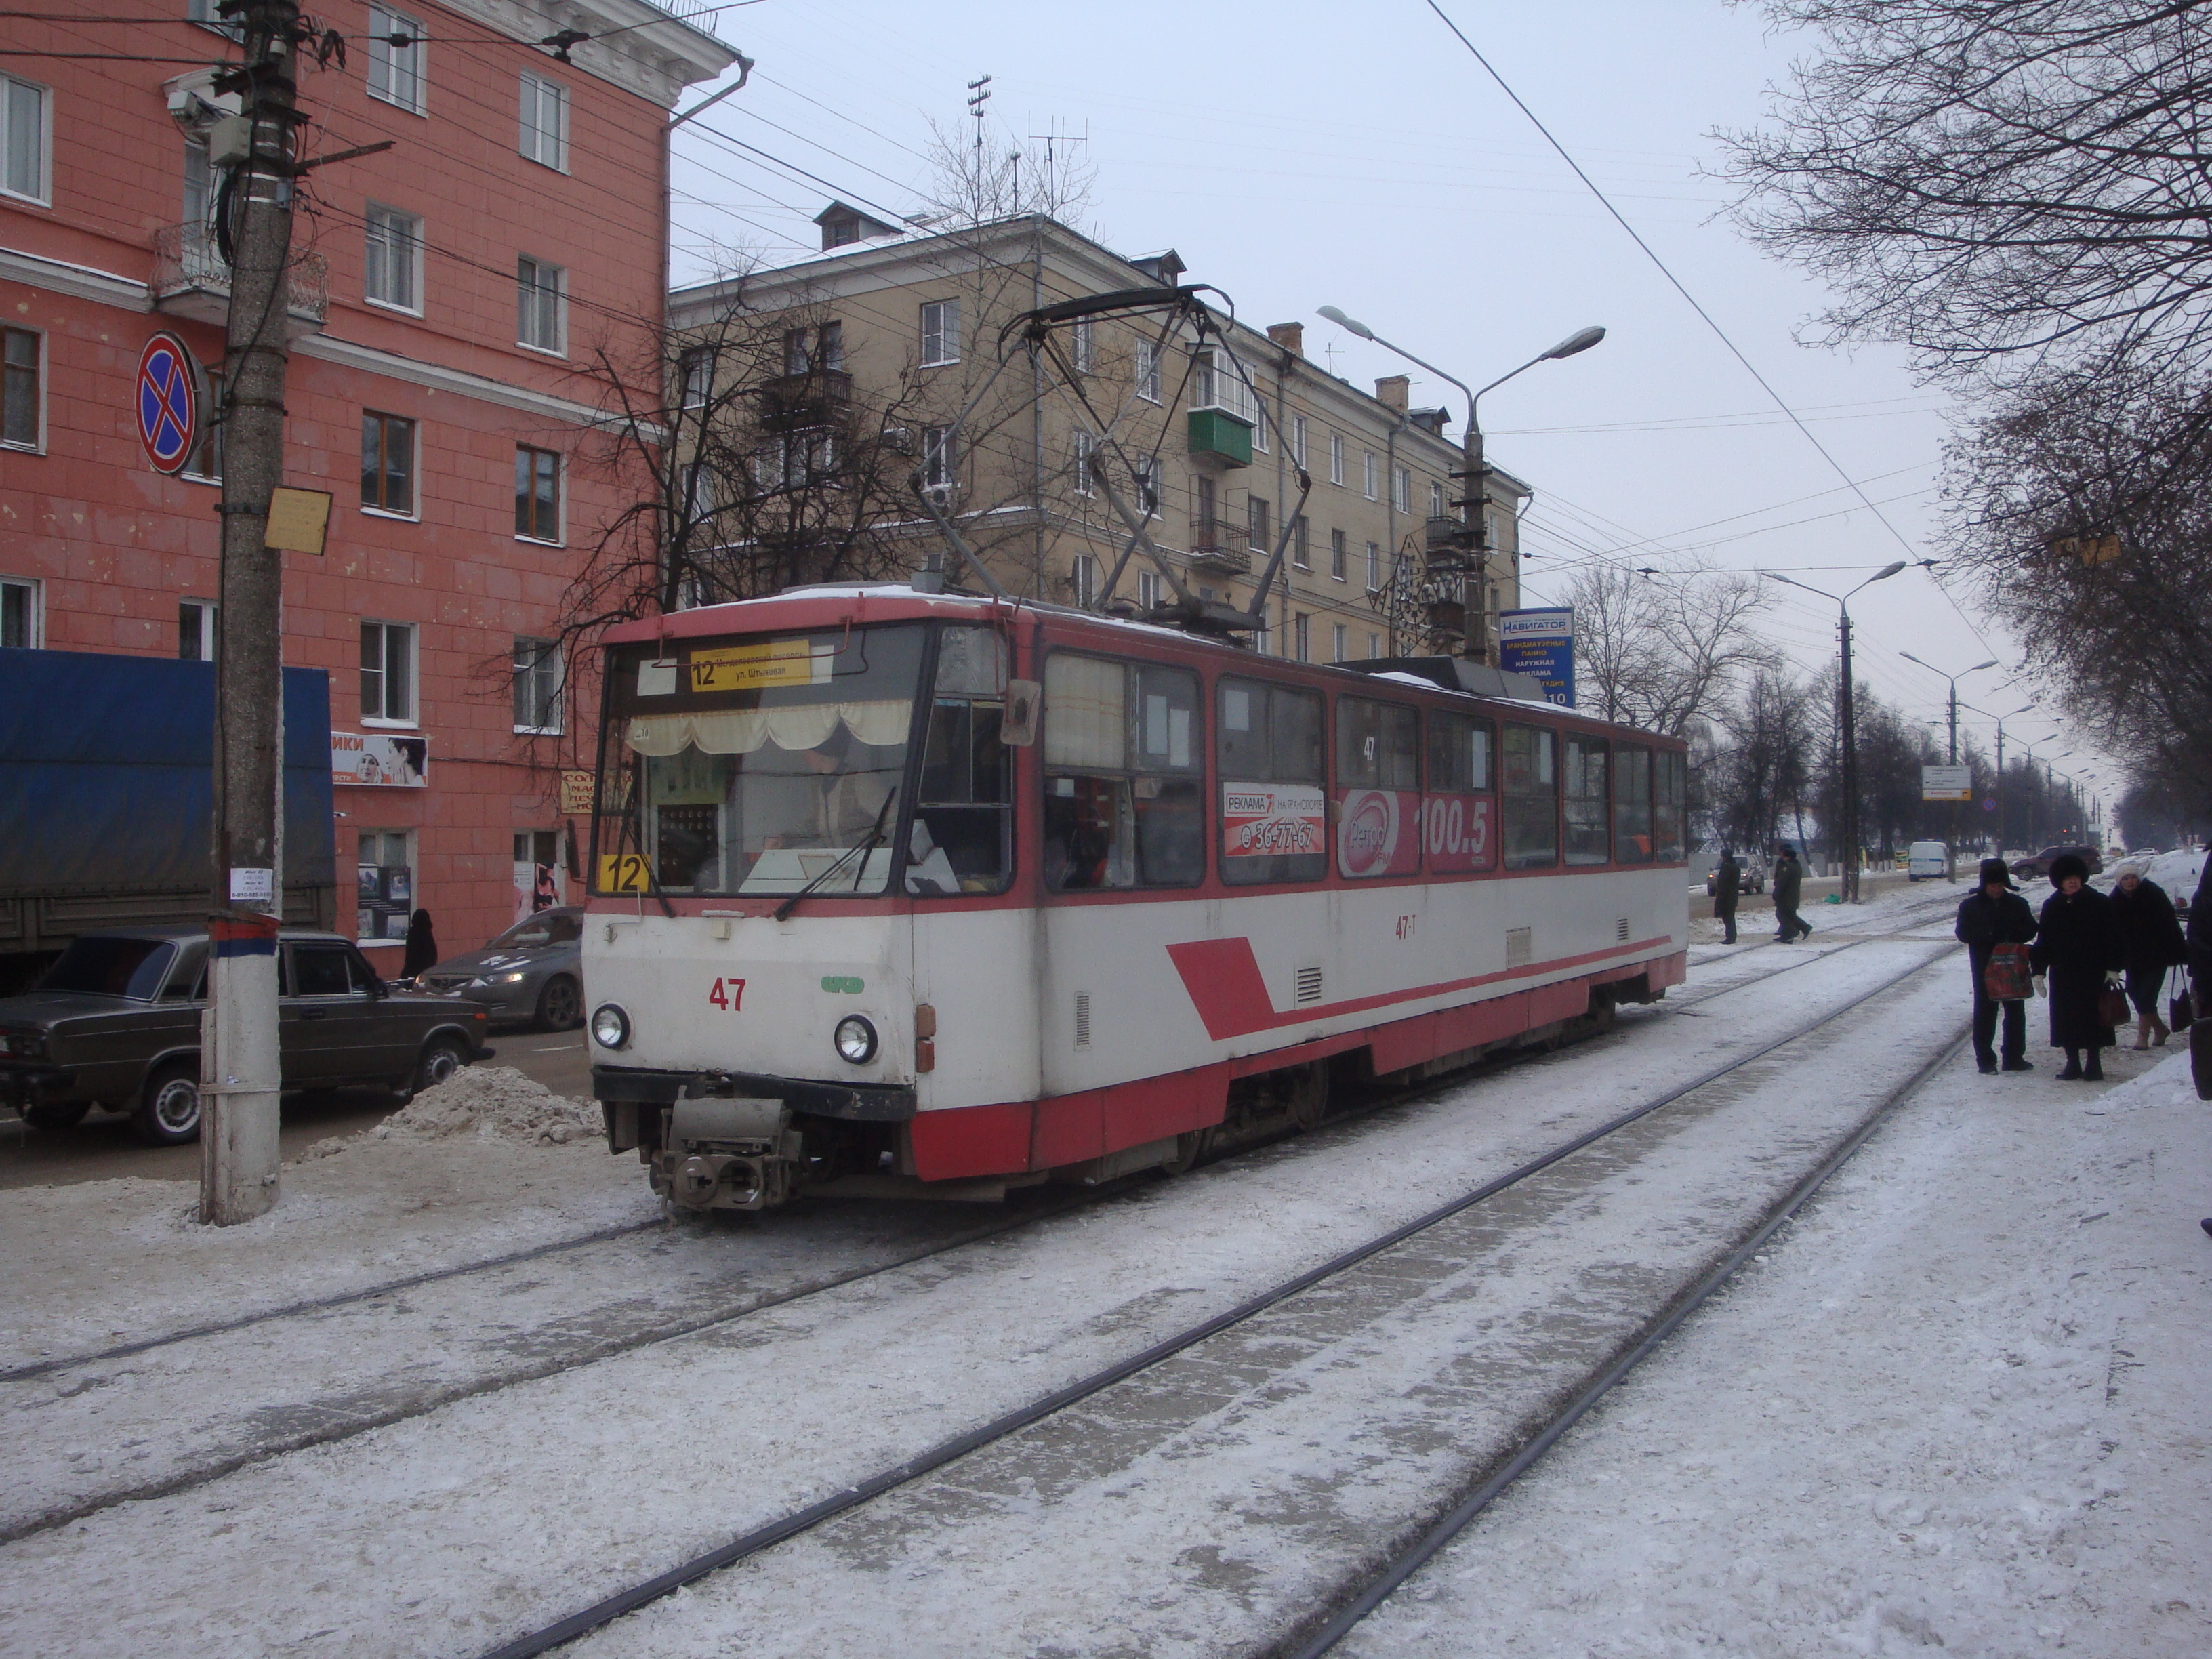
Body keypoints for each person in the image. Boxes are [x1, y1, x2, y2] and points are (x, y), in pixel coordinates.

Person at [2028, 853, 2125, 1080]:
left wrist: (2113, 967)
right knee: (2066, 1019)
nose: (2073, 881)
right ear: (2059, 881)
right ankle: (2072, 1063)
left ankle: (2094, 1063)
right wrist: (2039, 971)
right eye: (2067, 878)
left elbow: (2113, 937)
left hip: (2093, 970)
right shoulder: (2052, 906)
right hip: (2064, 972)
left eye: (2076, 877)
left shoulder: (2099, 902)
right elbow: (2045, 940)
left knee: (2094, 1017)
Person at [1955, 857, 2038, 1074]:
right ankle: (1985, 1060)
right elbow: (1963, 934)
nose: (1996, 889)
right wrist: (1987, 934)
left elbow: (2031, 929)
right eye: (1992, 886)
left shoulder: (2018, 904)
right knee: (1985, 1013)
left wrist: (2014, 935)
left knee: (2015, 1012)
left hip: (2013, 966)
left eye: (2000, 885)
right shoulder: (1970, 906)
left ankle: (2013, 1057)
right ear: (1984, 885)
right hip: (1984, 966)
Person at [2109, 860, 2186, 1048]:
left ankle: (2142, 1038)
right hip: (2132, 958)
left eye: (2133, 877)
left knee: (2146, 996)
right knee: (2135, 993)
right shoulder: (2114, 901)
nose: (2130, 882)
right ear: (2120, 882)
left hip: (2156, 956)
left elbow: (2170, 924)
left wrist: (2178, 952)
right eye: (2126, 879)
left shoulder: (2153, 894)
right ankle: (2160, 1029)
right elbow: (2111, 933)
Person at [1772, 843, 1811, 943]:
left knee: (1782, 914)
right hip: (1792, 895)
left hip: (1786, 896)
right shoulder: (1796, 865)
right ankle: (1791, 934)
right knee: (1789, 915)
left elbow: (1782, 882)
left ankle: (1793, 931)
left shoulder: (1787, 867)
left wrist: (1776, 893)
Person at [401, 908, 438, 981]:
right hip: (427, 970)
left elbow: (410, 954)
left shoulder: (413, 933)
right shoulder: (427, 933)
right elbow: (432, 953)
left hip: (413, 969)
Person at [1714, 848, 1741, 945]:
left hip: (1727, 897)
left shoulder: (1727, 867)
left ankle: (1730, 937)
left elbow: (1723, 884)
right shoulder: (1735, 866)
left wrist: (1720, 899)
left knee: (1728, 917)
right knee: (1730, 917)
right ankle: (1731, 936)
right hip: (1732, 896)